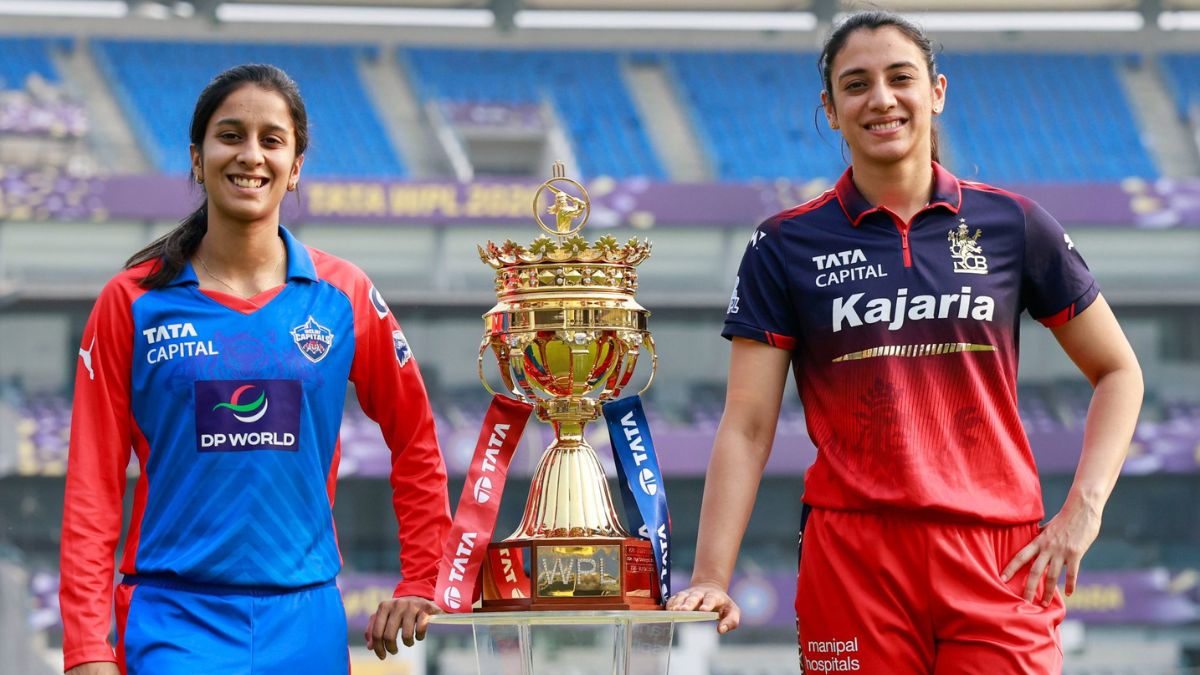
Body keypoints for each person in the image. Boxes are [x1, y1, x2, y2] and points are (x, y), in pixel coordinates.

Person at [667, 11, 1144, 674]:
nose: (882, 99)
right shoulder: (784, 244)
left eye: (901, 78)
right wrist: (712, 572)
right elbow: (747, 424)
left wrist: (1083, 511)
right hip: (855, 557)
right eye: (856, 85)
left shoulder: (1013, 224)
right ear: (831, 110)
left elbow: (1119, 370)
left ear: (937, 91)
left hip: (997, 552)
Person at [59, 64, 451, 675]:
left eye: (272, 140)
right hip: (173, 620)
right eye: (230, 135)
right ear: (197, 157)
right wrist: (86, 649)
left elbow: (416, 439)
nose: (251, 155)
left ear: (296, 166)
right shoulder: (132, 302)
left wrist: (424, 576)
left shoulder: (343, 294)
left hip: (307, 621)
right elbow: (92, 484)